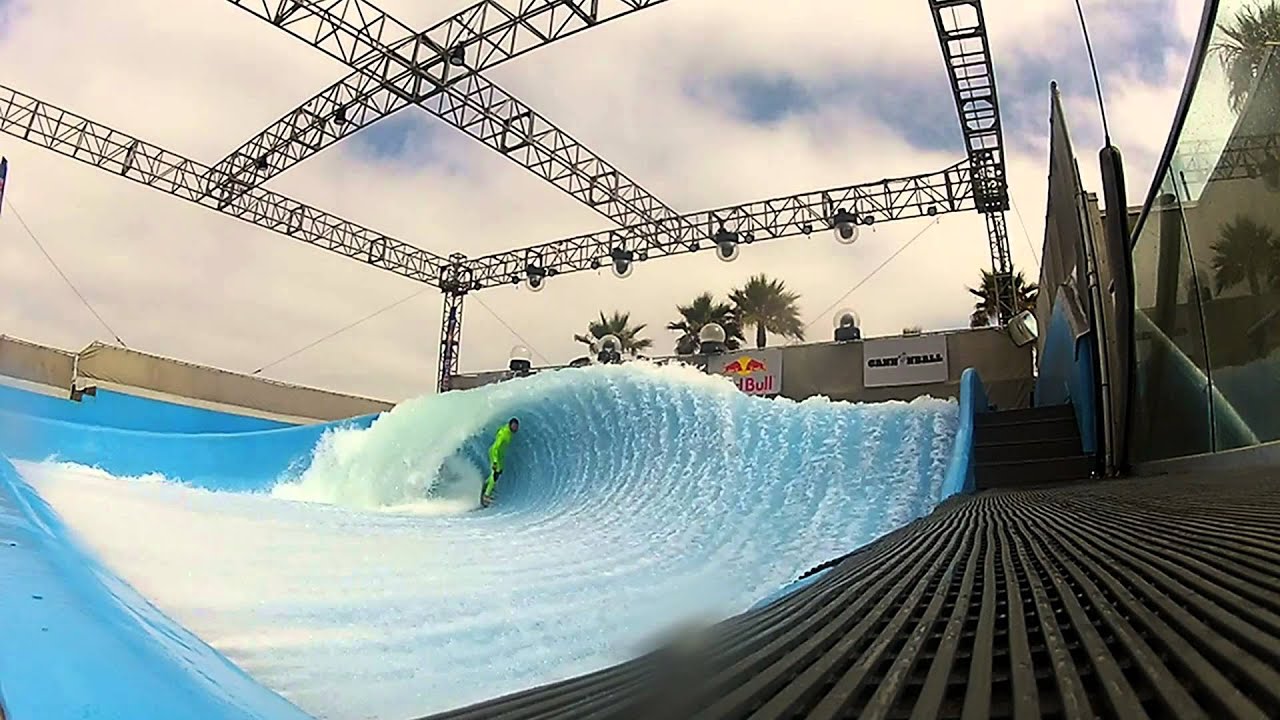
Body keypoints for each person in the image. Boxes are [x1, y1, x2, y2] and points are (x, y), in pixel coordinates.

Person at [483, 417, 519, 505]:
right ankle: (486, 496)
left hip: (500, 455)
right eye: (514, 426)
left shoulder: (507, 430)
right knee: (495, 474)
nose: (515, 428)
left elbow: (498, 431)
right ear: (510, 425)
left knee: (498, 472)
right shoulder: (504, 434)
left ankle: (485, 486)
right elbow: (496, 448)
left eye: (516, 427)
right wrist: (495, 462)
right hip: (495, 454)